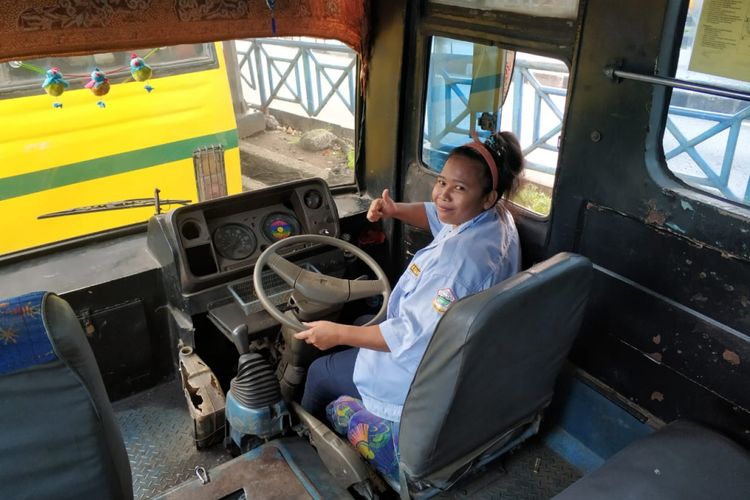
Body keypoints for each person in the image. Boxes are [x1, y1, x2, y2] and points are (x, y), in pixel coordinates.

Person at [296, 131, 524, 423]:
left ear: (487, 197)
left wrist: (335, 333)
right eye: (442, 182)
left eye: (459, 188)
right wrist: (394, 210)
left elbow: (408, 337)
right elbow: (437, 213)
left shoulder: (455, 267)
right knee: (358, 324)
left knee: (319, 371)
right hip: (462, 351)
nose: (443, 194)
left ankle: (301, 440)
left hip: (418, 376)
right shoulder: (494, 218)